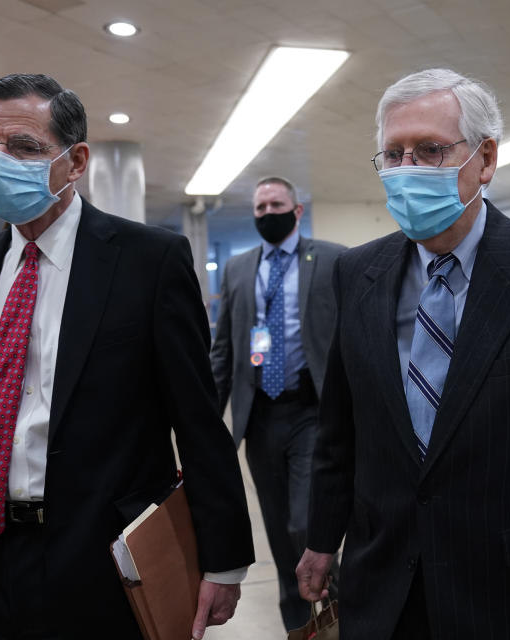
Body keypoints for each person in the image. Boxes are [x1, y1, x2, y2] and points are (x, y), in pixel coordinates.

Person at [0, 73, 254, 640]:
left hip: (103, 559)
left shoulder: (148, 262)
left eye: (23, 147)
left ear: (75, 162)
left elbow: (197, 420)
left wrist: (222, 559)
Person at [296, 68, 510, 640]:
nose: (408, 170)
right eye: (394, 154)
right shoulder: (359, 274)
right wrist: (320, 538)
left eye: (430, 150)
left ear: (484, 160)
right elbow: (341, 430)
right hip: (384, 590)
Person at [211, 176, 343, 630]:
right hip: (261, 418)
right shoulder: (239, 269)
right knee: (276, 529)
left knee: (303, 524)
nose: (268, 213)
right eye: (261, 207)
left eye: (276, 204)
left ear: (297, 210)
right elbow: (226, 349)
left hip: (311, 411)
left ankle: (332, 608)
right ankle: (297, 625)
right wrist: (208, 423)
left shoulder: (330, 259)